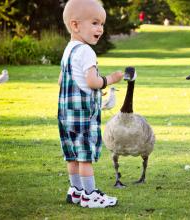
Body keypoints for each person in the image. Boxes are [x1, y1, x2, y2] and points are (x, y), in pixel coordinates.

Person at [58, 0, 123, 208]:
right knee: (85, 156)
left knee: (72, 156)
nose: (100, 29)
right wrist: (110, 79)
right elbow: (92, 81)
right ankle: (90, 194)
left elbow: (62, 80)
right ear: (75, 25)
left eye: (102, 24)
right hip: (83, 117)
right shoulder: (86, 51)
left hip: (66, 116)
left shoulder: (68, 49)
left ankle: (75, 190)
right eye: (95, 23)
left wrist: (88, 88)